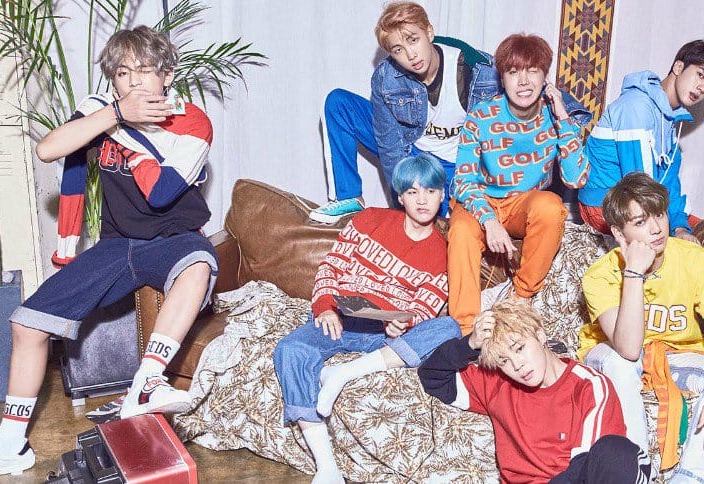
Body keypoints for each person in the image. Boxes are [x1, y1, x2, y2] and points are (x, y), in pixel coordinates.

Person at [0, 25, 218, 483]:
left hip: (174, 238)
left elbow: (161, 193)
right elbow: (49, 149)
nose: (135, 82)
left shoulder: (191, 121)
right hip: (116, 244)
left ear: (167, 76)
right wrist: (115, 114)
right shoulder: (102, 110)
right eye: (123, 73)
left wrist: (125, 131)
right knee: (26, 324)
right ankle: (9, 448)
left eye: (146, 70)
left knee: (199, 264)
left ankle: (147, 381)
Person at [274, 154, 461, 484]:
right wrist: (325, 307)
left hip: (385, 338)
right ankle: (327, 467)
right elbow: (331, 268)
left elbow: (426, 307)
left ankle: (342, 374)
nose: (422, 200)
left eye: (430, 191)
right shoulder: (370, 219)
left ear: (442, 195)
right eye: (413, 192)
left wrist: (405, 322)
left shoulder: (442, 252)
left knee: (449, 327)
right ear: (400, 197)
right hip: (341, 320)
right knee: (290, 350)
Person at [579, 172, 704, 483]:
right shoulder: (600, 275)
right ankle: (638, 472)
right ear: (619, 232)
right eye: (640, 222)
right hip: (611, 360)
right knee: (620, 362)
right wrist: (633, 273)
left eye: (659, 214)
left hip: (673, 358)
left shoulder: (693, 259)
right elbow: (628, 350)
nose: (656, 228)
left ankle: (688, 479)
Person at [447, 32, 591, 335]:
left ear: (545, 78)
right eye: (513, 72)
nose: (523, 82)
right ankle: (465, 329)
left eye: (532, 71)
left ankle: (520, 299)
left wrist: (563, 116)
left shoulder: (555, 118)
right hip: (480, 201)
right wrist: (488, 221)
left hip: (521, 204)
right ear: (502, 78)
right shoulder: (481, 115)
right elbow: (463, 180)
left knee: (551, 207)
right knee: (460, 231)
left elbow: (576, 178)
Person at [419, 299, 651, 483]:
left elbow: (585, 465)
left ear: (540, 336)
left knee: (616, 452)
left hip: (578, 478)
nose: (517, 365)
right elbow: (432, 376)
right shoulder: (497, 382)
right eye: (504, 360)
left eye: (519, 348)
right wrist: (470, 344)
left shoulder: (589, 386)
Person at [309, 0, 500, 223]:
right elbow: (389, 145)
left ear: (429, 32)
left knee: (451, 221)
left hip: (458, 166)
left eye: (413, 40)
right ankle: (348, 197)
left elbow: (507, 124)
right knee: (338, 103)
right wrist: (404, 199)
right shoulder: (386, 77)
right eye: (398, 50)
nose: (410, 55)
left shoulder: (480, 71)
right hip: (410, 151)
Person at [577, 39, 704, 244]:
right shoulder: (636, 106)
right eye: (700, 75)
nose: (702, 88)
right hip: (605, 205)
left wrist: (680, 228)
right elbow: (639, 182)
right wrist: (669, 231)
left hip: (639, 202)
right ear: (678, 67)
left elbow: (668, 184)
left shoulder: (670, 123)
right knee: (692, 245)